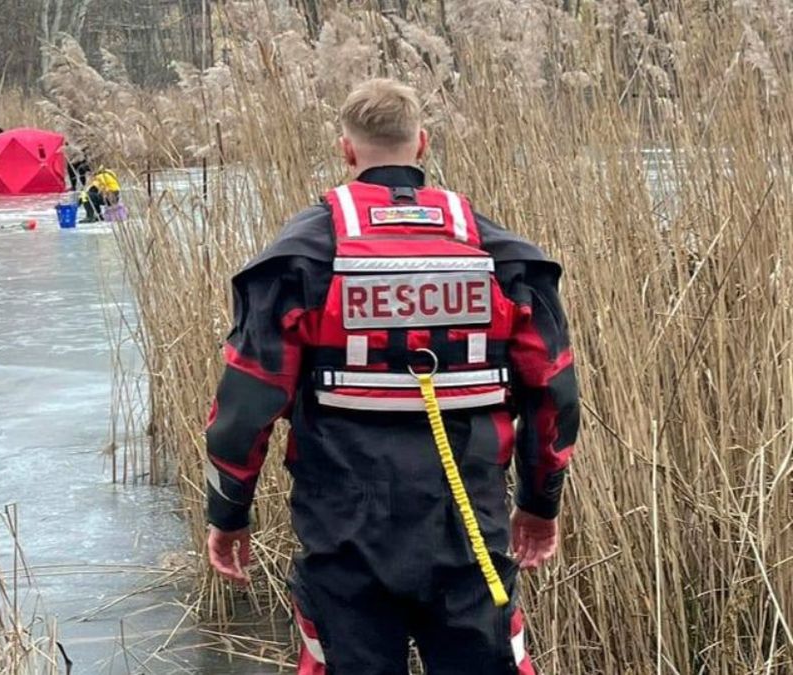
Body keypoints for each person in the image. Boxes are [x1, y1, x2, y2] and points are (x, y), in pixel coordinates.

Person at [203, 79, 580, 674]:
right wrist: (539, 504)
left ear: (346, 150)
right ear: (422, 144)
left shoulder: (302, 256)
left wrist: (228, 515)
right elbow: (553, 392)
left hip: (344, 535)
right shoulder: (501, 254)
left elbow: (246, 406)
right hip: (468, 529)